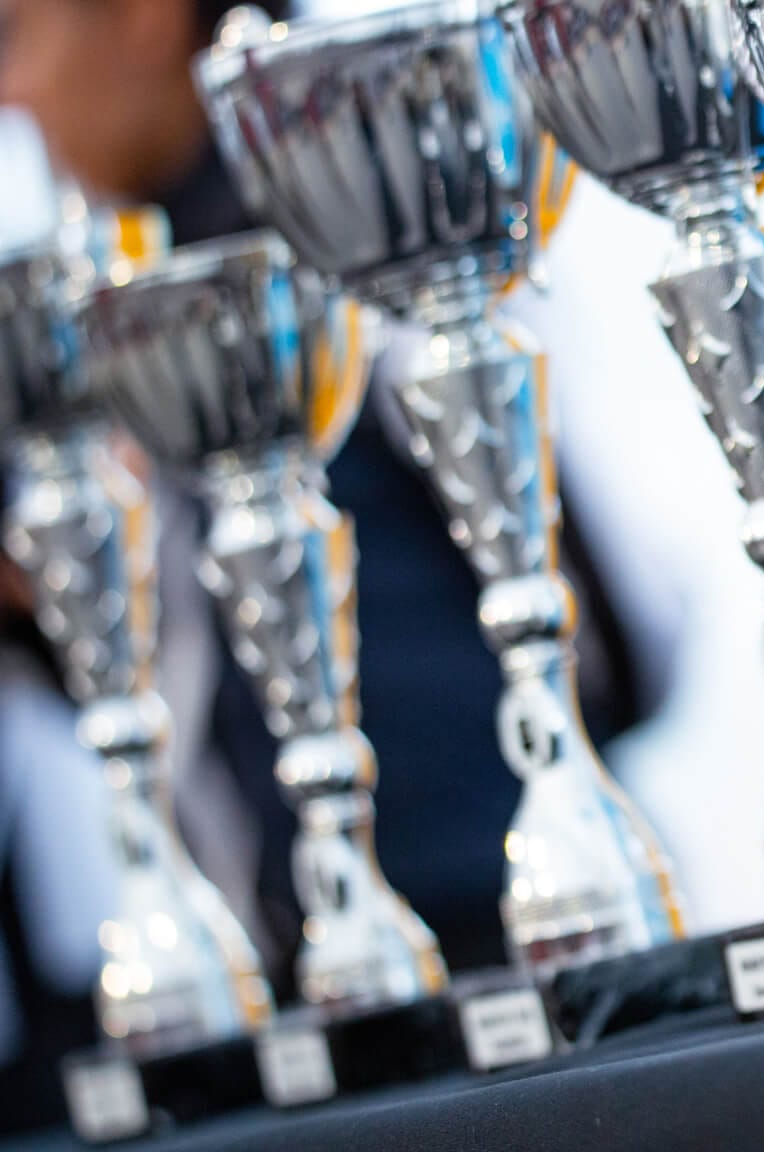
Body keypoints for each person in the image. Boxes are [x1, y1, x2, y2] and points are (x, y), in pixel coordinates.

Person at [0, 0, 677, 1132]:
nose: (10, 96)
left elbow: (623, 607)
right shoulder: (100, 293)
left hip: (520, 954)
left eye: (16, 38)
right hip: (285, 990)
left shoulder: (381, 208)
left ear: (146, 19)